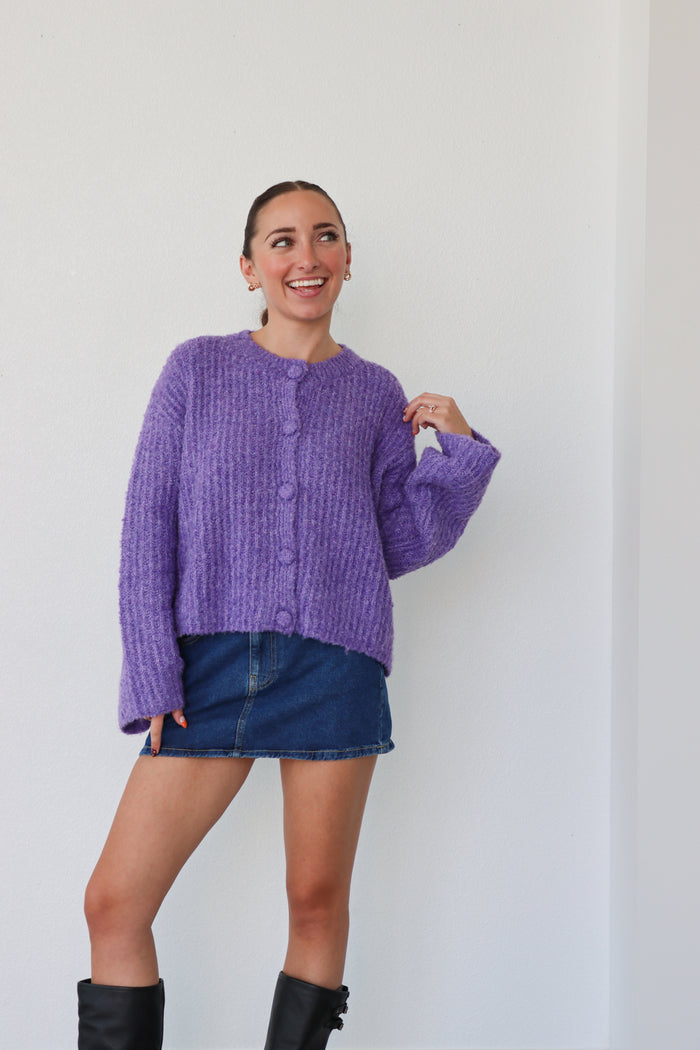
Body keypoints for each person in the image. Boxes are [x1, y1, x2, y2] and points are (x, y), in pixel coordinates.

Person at [77, 180, 501, 1050]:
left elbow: (393, 541)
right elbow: (145, 523)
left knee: (315, 905)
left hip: (335, 667)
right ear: (249, 267)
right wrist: (154, 668)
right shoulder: (195, 369)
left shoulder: (375, 392)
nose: (304, 257)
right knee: (115, 903)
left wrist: (456, 459)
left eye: (324, 237)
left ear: (347, 260)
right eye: (281, 241)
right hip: (209, 672)